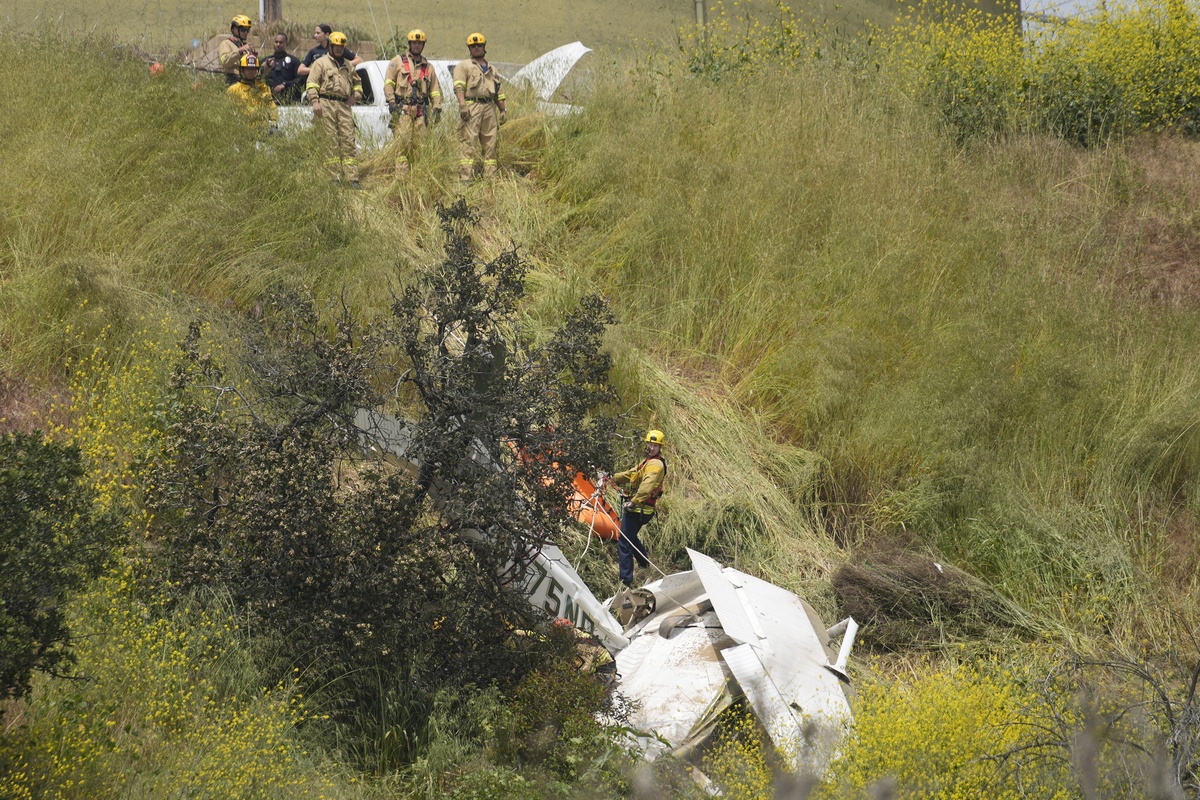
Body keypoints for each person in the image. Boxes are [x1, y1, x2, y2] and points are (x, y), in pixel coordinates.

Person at [605, 430, 668, 587]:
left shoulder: (655, 465)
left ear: (660, 447)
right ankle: (644, 562)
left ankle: (625, 580)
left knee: (624, 540)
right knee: (630, 536)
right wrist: (612, 477)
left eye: (655, 445)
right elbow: (631, 474)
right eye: (650, 444)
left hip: (640, 509)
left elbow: (647, 487)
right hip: (641, 508)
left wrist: (633, 502)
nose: (652, 447)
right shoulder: (648, 461)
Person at [305, 32, 363, 188]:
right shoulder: (321, 63)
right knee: (329, 141)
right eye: (336, 46)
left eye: (341, 47)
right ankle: (334, 178)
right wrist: (315, 101)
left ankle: (352, 179)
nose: (339, 50)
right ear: (330, 46)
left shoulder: (349, 65)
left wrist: (355, 96)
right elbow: (311, 83)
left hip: (344, 106)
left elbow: (358, 83)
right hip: (326, 104)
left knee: (348, 140)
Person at [384, 29, 443, 178]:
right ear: (409, 43)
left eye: (420, 43)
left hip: (422, 112)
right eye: (414, 43)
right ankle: (402, 179)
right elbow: (388, 84)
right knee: (402, 146)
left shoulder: (429, 67)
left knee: (421, 146)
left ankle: (418, 178)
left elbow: (435, 90)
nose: (417, 45)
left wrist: (437, 108)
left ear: (423, 45)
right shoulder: (397, 61)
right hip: (403, 109)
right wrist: (391, 102)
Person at [452, 32, 507, 182]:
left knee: (491, 143)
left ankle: (490, 178)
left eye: (479, 45)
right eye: (473, 46)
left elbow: (498, 92)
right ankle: (465, 178)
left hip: (489, 108)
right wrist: (462, 105)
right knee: (468, 142)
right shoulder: (464, 66)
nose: (476, 48)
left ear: (484, 47)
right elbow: (459, 87)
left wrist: (502, 109)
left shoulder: (492, 69)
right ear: (469, 48)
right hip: (472, 106)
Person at [226, 53, 278, 133]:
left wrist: (274, 122)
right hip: (243, 132)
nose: (251, 72)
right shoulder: (233, 90)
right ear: (242, 70)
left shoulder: (263, 88)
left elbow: (272, 108)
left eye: (253, 69)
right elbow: (228, 113)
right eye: (248, 69)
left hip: (262, 130)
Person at [297, 24, 361, 78]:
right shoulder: (313, 51)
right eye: (315, 33)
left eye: (318, 33)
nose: (315, 36)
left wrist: (343, 66)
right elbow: (300, 70)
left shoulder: (337, 49)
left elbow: (359, 60)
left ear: (327, 35)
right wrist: (317, 69)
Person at [262, 33, 301, 104]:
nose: (278, 44)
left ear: (286, 44)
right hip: (269, 100)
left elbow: (300, 80)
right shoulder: (266, 61)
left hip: (289, 101)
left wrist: (285, 85)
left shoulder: (294, 61)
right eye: (276, 42)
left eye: (281, 42)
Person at [218, 14, 256, 85]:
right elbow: (224, 61)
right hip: (232, 79)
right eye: (243, 30)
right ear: (235, 29)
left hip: (246, 80)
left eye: (247, 30)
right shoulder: (226, 44)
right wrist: (239, 51)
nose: (246, 33)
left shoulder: (244, 45)